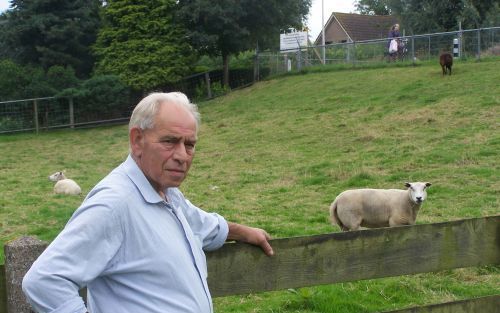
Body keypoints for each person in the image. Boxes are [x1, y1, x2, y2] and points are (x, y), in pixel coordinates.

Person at [22, 92, 274, 313]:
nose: (182, 156)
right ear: (137, 140)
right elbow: (44, 280)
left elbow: (202, 225)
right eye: (169, 141)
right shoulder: (115, 203)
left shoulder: (167, 194)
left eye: (190, 144)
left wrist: (244, 232)